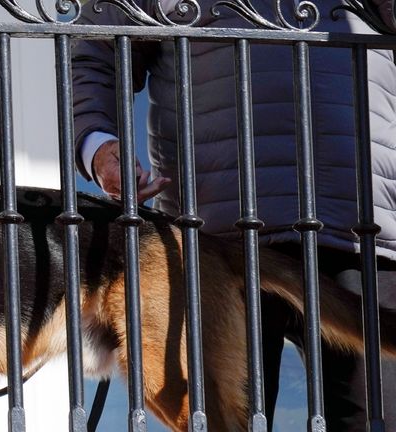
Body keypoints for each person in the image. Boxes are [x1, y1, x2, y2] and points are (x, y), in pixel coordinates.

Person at [72, 0, 396, 430]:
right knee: (219, 420)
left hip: (359, 225)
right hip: (215, 244)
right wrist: (100, 148)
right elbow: (99, 54)